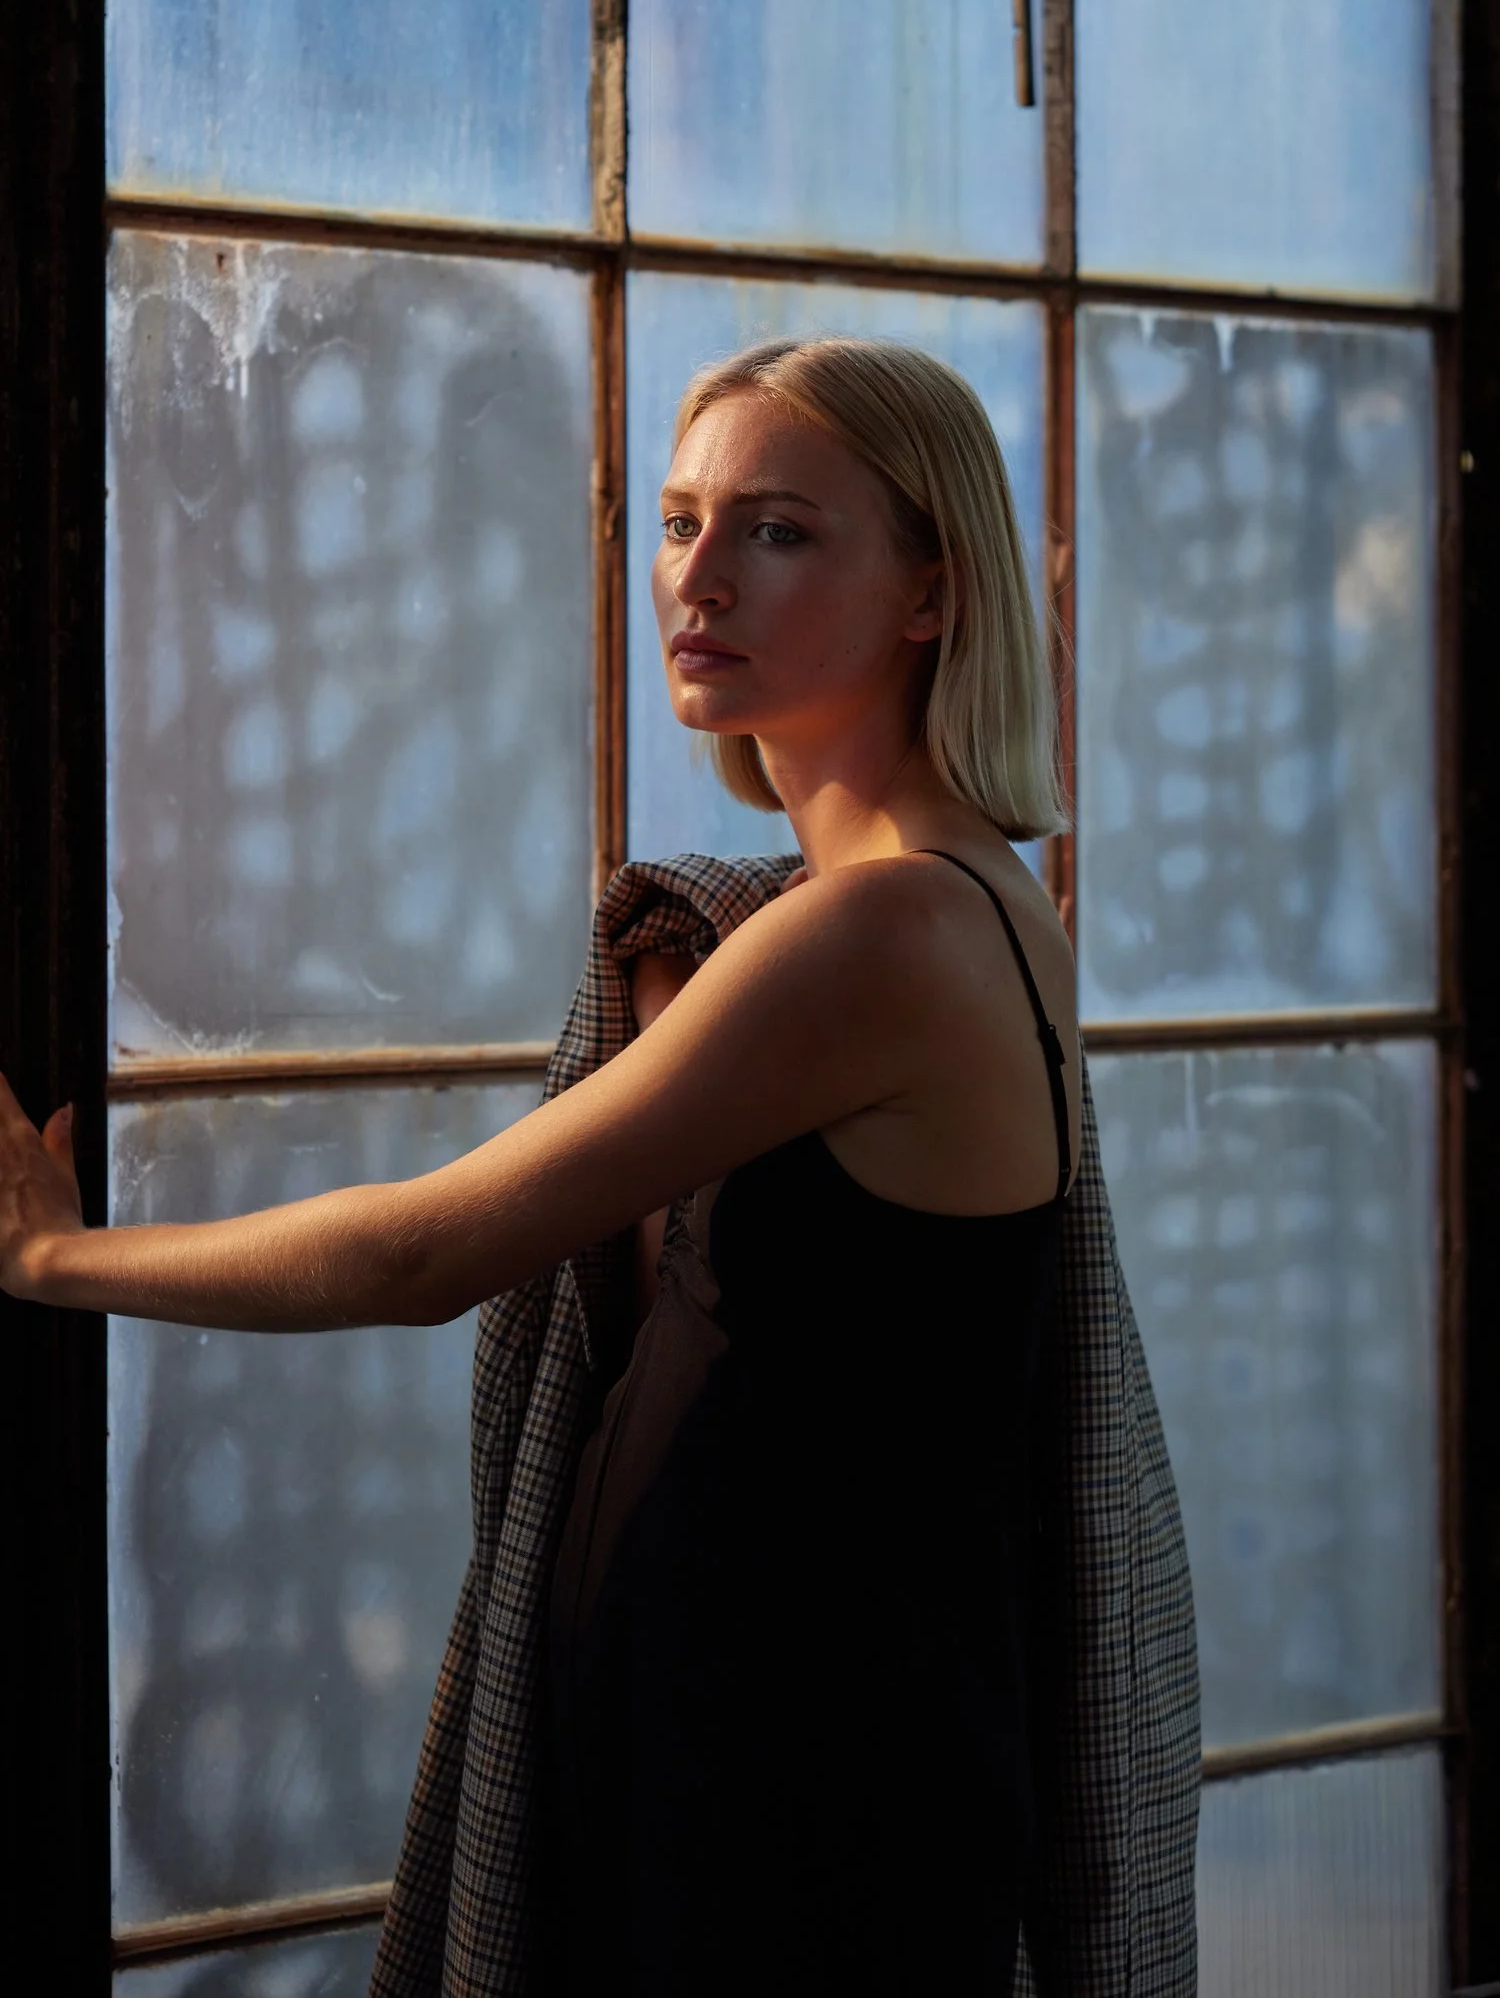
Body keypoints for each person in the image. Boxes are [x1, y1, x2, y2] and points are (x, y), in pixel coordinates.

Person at [1, 336, 1080, 1994]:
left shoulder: (884, 932)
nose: (698, 578)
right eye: (680, 521)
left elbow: (421, 1256)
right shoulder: (933, 902)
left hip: (801, 1791)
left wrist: (56, 1259)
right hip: (768, 1747)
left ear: (933, 592)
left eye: (779, 531)